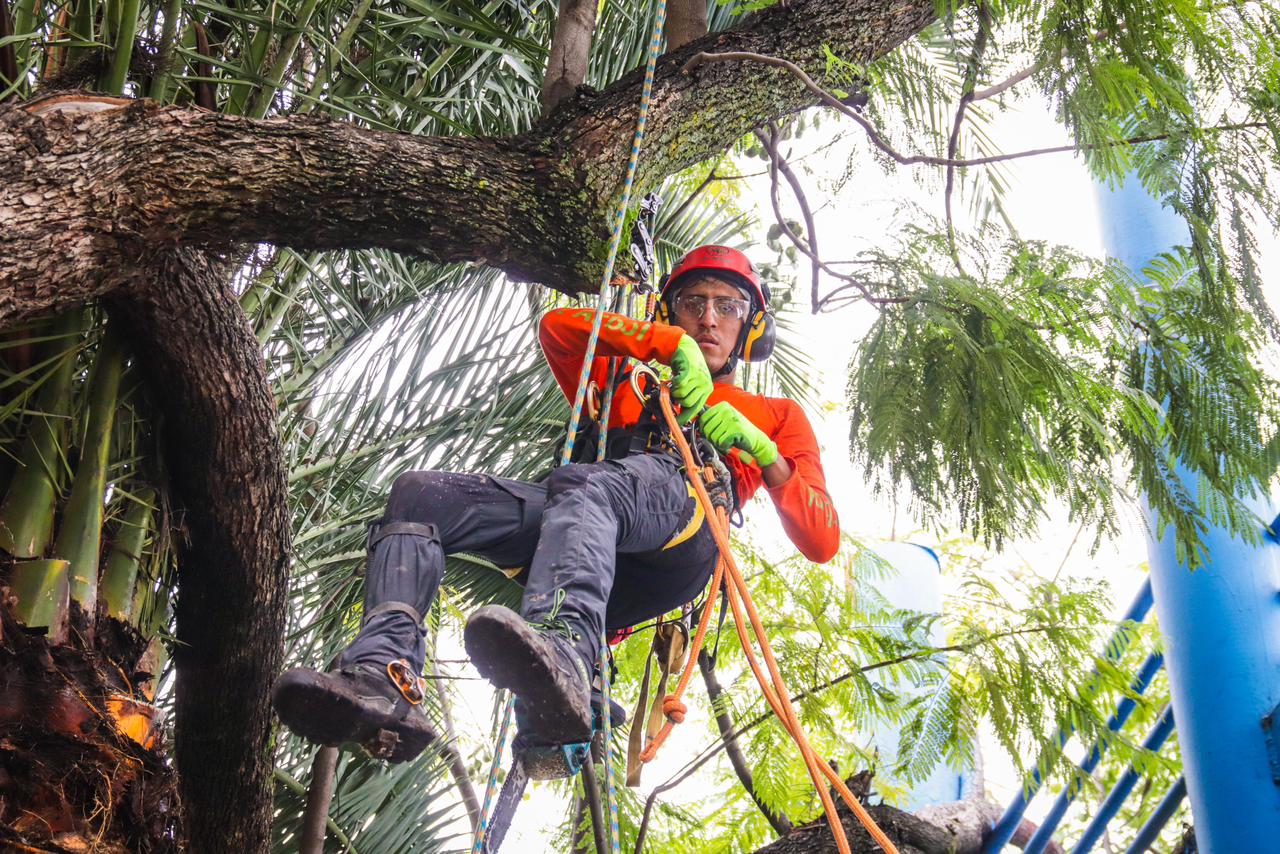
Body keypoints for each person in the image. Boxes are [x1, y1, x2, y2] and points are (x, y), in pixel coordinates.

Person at [272, 245, 841, 761]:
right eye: (693, 302)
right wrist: (666, 346)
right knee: (420, 496)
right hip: (584, 523)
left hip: (679, 540)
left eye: (729, 305)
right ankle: (384, 672)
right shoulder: (623, 374)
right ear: (671, 313)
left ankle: (566, 655)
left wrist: (763, 451)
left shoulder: (776, 414)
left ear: (749, 325)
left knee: (587, 484)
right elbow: (560, 327)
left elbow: (821, 540)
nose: (709, 318)